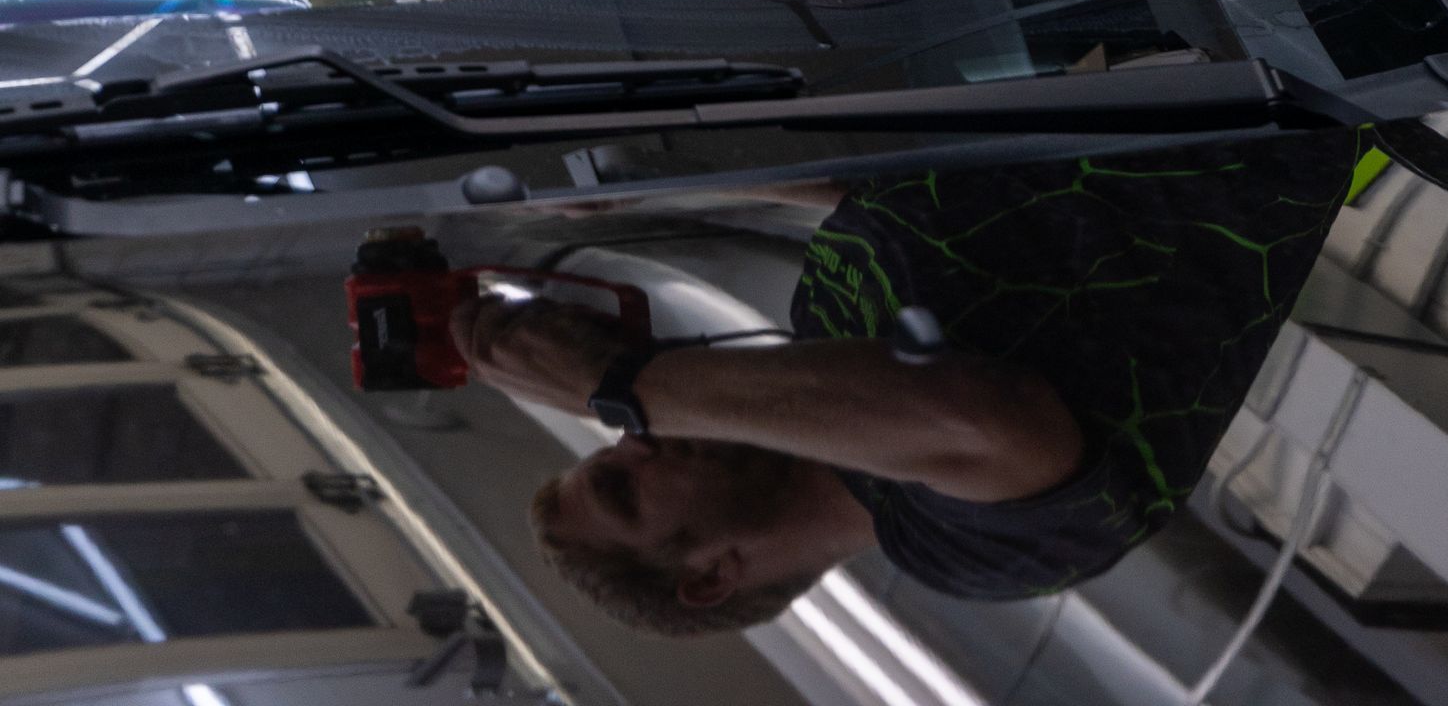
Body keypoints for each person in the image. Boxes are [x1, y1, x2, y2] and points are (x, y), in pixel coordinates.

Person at [454, 131, 1354, 632]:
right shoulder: (968, 554)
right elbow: (979, 420)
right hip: (1258, 112)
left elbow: (902, 199)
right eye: (621, 487)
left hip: (1133, 52)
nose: (629, 444)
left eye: (610, 445)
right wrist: (622, 384)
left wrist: (666, 185)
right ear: (711, 574)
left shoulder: (816, 354)